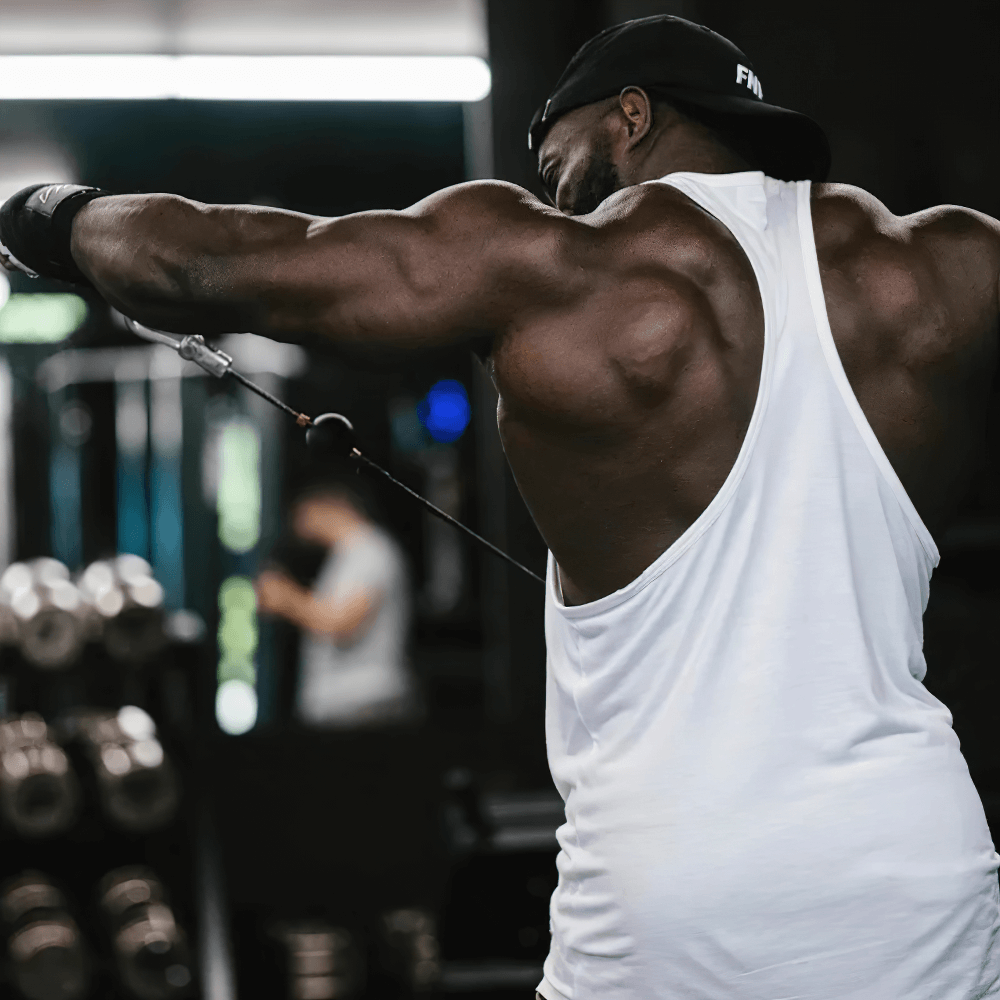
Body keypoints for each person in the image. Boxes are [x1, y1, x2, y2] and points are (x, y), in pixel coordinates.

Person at [2, 13, 999, 998]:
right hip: (914, 874)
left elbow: (206, 262)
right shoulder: (941, 267)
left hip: (675, 894)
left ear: (630, 116)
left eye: (550, 152)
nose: (547, 189)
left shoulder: (551, 264)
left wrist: (42, 216)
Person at [254, 483, 416, 728]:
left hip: (364, 705)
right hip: (347, 706)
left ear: (331, 505)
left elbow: (342, 623)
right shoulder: (347, 554)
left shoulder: (370, 550)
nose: (299, 525)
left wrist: (286, 598)